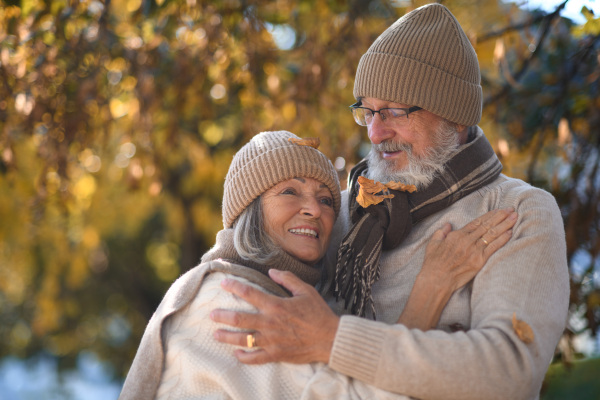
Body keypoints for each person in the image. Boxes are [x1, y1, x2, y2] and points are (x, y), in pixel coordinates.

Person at [210, 4, 570, 400]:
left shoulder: (517, 211)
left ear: (456, 116)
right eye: (367, 111)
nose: (377, 132)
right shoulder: (339, 212)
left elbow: (509, 373)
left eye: (395, 111)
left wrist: (334, 340)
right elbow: (245, 276)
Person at [119, 130, 515, 399]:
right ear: (250, 209)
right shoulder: (226, 300)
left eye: (327, 199)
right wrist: (433, 287)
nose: (314, 209)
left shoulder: (292, 295)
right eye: (289, 192)